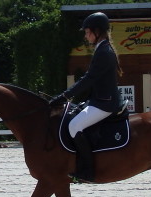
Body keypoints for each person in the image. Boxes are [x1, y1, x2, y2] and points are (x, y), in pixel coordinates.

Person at [50, 12, 122, 182]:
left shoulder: (104, 51)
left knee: (75, 125)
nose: (85, 35)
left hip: (105, 103)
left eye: (87, 32)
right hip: (98, 100)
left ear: (97, 31)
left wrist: (65, 96)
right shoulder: (102, 48)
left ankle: (87, 170)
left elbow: (89, 79)